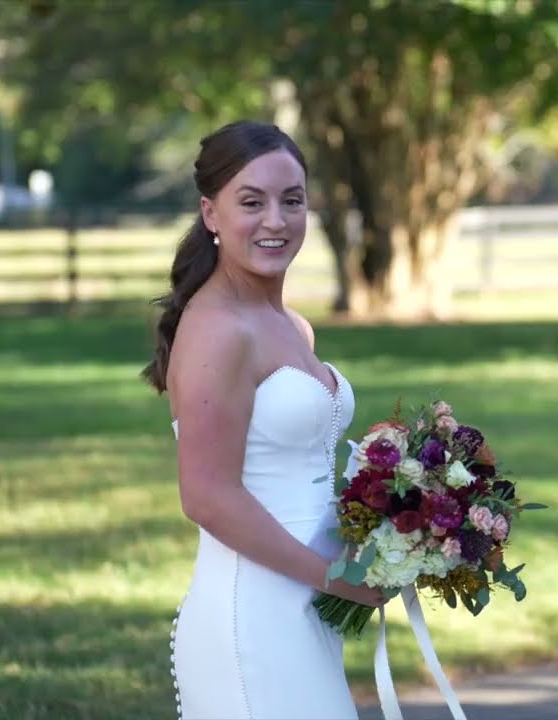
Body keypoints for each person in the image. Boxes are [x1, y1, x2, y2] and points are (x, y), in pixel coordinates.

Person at [141, 120, 386, 720]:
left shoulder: (292, 326)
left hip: (305, 613)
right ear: (211, 214)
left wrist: (397, 512)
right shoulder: (217, 329)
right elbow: (206, 496)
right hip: (253, 615)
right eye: (251, 202)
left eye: (292, 200)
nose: (276, 220)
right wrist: (333, 576)